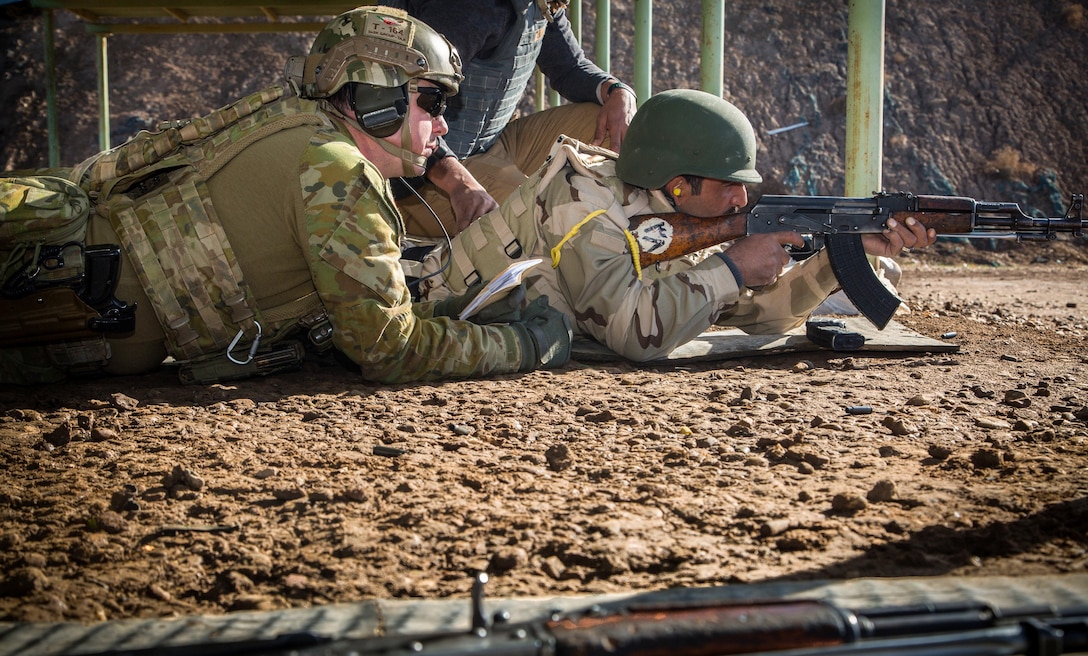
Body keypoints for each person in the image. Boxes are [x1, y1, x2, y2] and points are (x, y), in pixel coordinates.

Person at [0, 6, 571, 386]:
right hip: (44, 309)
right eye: (434, 103)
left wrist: (465, 313)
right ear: (376, 96)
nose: (443, 127)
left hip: (67, 308)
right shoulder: (337, 171)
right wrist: (520, 346)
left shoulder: (304, 133)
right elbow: (385, 346)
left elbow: (357, 314)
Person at [417, 88, 935, 362]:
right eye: (728, 185)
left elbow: (758, 316)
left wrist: (845, 256)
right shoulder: (583, 201)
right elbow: (635, 335)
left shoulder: (673, 215)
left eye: (744, 187)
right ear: (678, 182)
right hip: (425, 304)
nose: (741, 199)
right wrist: (731, 266)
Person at [380, 0, 638, 237]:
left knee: (601, 121)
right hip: (426, 178)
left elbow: (569, 67)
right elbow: (405, 105)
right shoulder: (468, 9)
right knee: (541, 219)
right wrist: (459, 183)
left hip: (493, 143)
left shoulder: (537, 3)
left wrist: (617, 91)